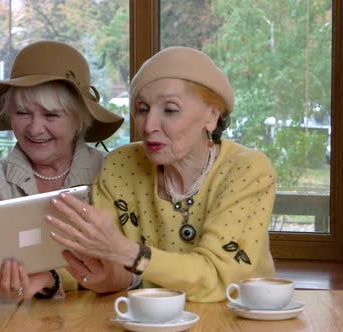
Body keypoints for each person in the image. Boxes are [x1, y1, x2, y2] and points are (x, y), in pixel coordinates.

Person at [47, 46, 277, 302]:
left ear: (212, 115)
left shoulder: (246, 169)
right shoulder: (121, 166)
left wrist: (130, 253)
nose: (149, 126)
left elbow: (218, 278)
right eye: (143, 109)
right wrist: (48, 279)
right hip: (147, 322)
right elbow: (101, 262)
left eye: (170, 110)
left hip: (235, 319)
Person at [0, 40, 124, 301]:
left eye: (51, 115)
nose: (35, 128)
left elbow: (129, 264)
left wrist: (52, 279)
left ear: (80, 119)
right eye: (22, 112)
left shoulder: (113, 175)